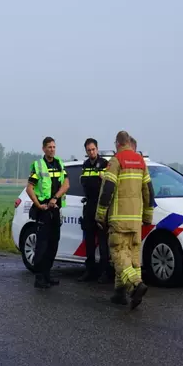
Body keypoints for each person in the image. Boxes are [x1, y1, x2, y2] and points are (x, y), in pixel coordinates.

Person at [96, 131, 155, 308]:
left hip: (119, 220)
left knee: (118, 255)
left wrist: (100, 214)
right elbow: (149, 191)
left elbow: (108, 190)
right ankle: (120, 293)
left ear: (117, 143)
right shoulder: (140, 161)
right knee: (133, 257)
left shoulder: (116, 161)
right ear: (129, 142)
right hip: (135, 220)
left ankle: (135, 284)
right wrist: (147, 216)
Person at [26, 136, 70, 289]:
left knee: (53, 244)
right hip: (43, 210)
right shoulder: (38, 165)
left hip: (55, 209)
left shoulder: (59, 163)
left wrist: (55, 198)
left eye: (54, 147)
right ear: (44, 149)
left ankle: (47, 274)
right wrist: (38, 205)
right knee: (42, 245)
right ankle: (39, 278)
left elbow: (66, 184)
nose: (52, 149)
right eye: (49, 147)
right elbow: (29, 188)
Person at [78, 138, 111, 283]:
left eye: (93, 149)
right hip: (89, 206)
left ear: (97, 149)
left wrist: (102, 177)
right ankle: (89, 271)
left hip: (101, 206)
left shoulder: (104, 164)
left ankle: (105, 272)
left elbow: (109, 183)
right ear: (86, 151)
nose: (91, 152)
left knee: (103, 241)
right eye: (89, 150)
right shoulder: (85, 165)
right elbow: (84, 183)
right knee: (89, 241)